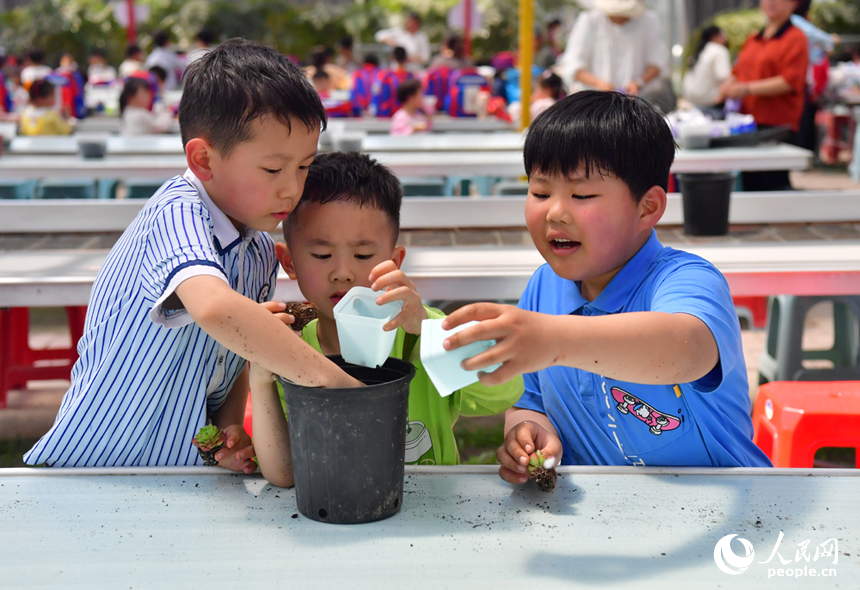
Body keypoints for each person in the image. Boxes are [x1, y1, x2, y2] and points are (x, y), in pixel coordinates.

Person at [23, 40, 361, 469]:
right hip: (93, 470)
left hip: (179, 474)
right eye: (274, 169)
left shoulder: (257, 248)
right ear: (203, 159)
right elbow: (216, 309)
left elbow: (237, 349)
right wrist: (337, 385)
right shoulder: (177, 212)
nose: (291, 188)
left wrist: (228, 431)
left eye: (304, 166)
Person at [441, 91, 773, 475]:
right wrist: (528, 432)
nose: (556, 212)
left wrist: (553, 339)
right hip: (600, 514)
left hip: (727, 503)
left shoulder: (686, 279)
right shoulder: (543, 288)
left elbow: (688, 349)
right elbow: (530, 400)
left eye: (582, 194)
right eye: (540, 192)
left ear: (648, 207)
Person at [251, 152, 523, 485]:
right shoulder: (288, 348)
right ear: (289, 262)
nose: (342, 272)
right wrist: (260, 376)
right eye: (321, 255)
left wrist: (427, 329)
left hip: (431, 516)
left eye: (363, 255)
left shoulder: (423, 333)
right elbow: (285, 472)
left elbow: (505, 392)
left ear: (394, 262)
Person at [717, 0, 808, 191]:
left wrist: (746, 89)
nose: (771, 2)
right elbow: (738, 71)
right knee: (750, 185)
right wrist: (728, 85)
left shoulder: (796, 38)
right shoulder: (754, 39)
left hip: (776, 126)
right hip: (747, 125)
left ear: (794, 4)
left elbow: (789, 81)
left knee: (773, 185)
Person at [555, 0, 672, 111]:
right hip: (593, 104)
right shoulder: (589, 20)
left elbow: (658, 62)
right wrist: (598, 83)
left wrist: (639, 82)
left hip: (637, 103)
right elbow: (572, 65)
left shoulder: (649, 21)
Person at [682, 25, 732, 109]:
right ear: (715, 36)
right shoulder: (720, 50)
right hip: (709, 101)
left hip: (691, 99)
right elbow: (724, 77)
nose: (726, 38)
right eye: (723, 35)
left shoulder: (700, 50)